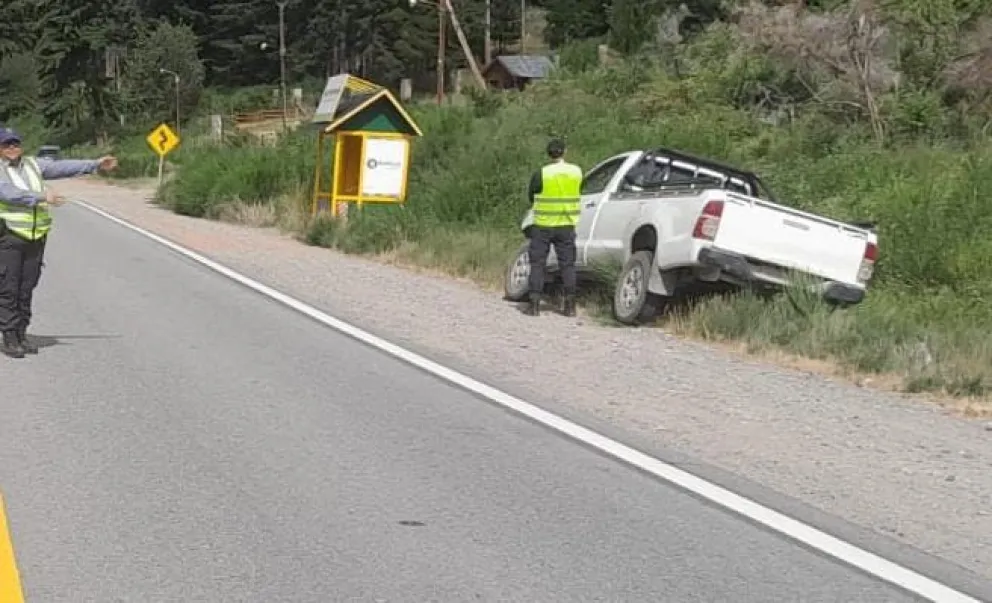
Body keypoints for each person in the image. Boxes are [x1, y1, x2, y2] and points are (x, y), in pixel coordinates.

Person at [0, 126, 118, 358]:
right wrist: (43, 196)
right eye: (6, 144)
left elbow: (62, 167)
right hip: (8, 237)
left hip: (35, 237)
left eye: (15, 143)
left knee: (27, 288)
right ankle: (9, 336)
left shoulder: (33, 164)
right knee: (8, 289)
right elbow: (7, 193)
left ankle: (22, 332)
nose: (12, 148)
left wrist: (95, 164)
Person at [524, 138, 583, 317]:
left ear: (548, 154)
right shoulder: (576, 171)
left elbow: (532, 195)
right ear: (565, 151)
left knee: (538, 264)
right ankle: (570, 306)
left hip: (543, 224)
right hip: (566, 223)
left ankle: (534, 305)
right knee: (568, 265)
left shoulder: (542, 173)